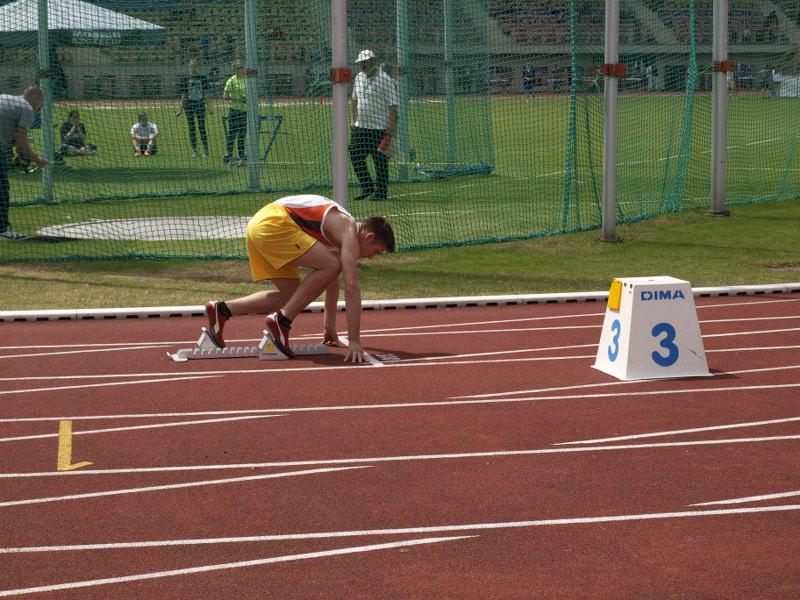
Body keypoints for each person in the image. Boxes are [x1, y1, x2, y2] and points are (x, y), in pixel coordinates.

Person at [204, 194, 395, 363]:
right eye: (376, 252)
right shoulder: (348, 230)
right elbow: (352, 287)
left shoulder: (339, 231)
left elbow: (332, 280)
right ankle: (282, 321)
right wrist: (354, 341)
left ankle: (223, 310)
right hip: (274, 223)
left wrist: (329, 327)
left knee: (295, 295)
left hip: (258, 226)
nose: (371, 257)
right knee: (331, 266)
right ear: (369, 237)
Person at [349, 49, 398, 201]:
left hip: (379, 128)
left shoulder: (385, 80)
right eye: (361, 63)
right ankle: (367, 186)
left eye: (366, 62)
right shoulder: (358, 77)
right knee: (355, 155)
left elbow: (393, 105)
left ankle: (381, 193)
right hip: (361, 126)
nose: (363, 65)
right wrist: (353, 120)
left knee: (380, 161)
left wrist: (390, 129)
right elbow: (354, 99)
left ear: (373, 61)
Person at [0, 86, 48, 241]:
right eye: (41, 102)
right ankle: (2, 230)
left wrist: (20, 149)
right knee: (2, 189)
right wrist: (37, 160)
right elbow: (21, 142)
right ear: (35, 97)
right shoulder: (27, 108)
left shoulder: (7, 98)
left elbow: (10, 134)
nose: (40, 107)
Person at [176, 58, 210, 158]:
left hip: (200, 104)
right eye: (192, 66)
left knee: (202, 127)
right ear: (189, 67)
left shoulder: (203, 78)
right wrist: (180, 109)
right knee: (191, 128)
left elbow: (205, 93)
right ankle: (194, 150)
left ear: (197, 66)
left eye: (195, 65)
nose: (193, 67)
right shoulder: (185, 79)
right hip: (189, 105)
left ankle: (206, 150)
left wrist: (209, 107)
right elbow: (184, 95)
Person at [223, 59, 248, 166]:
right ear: (234, 69)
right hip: (234, 111)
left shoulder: (247, 79)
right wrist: (239, 99)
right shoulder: (231, 81)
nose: (240, 69)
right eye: (238, 68)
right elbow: (225, 96)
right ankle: (228, 156)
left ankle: (241, 156)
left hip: (245, 111)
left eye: (241, 67)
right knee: (232, 135)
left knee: (242, 135)